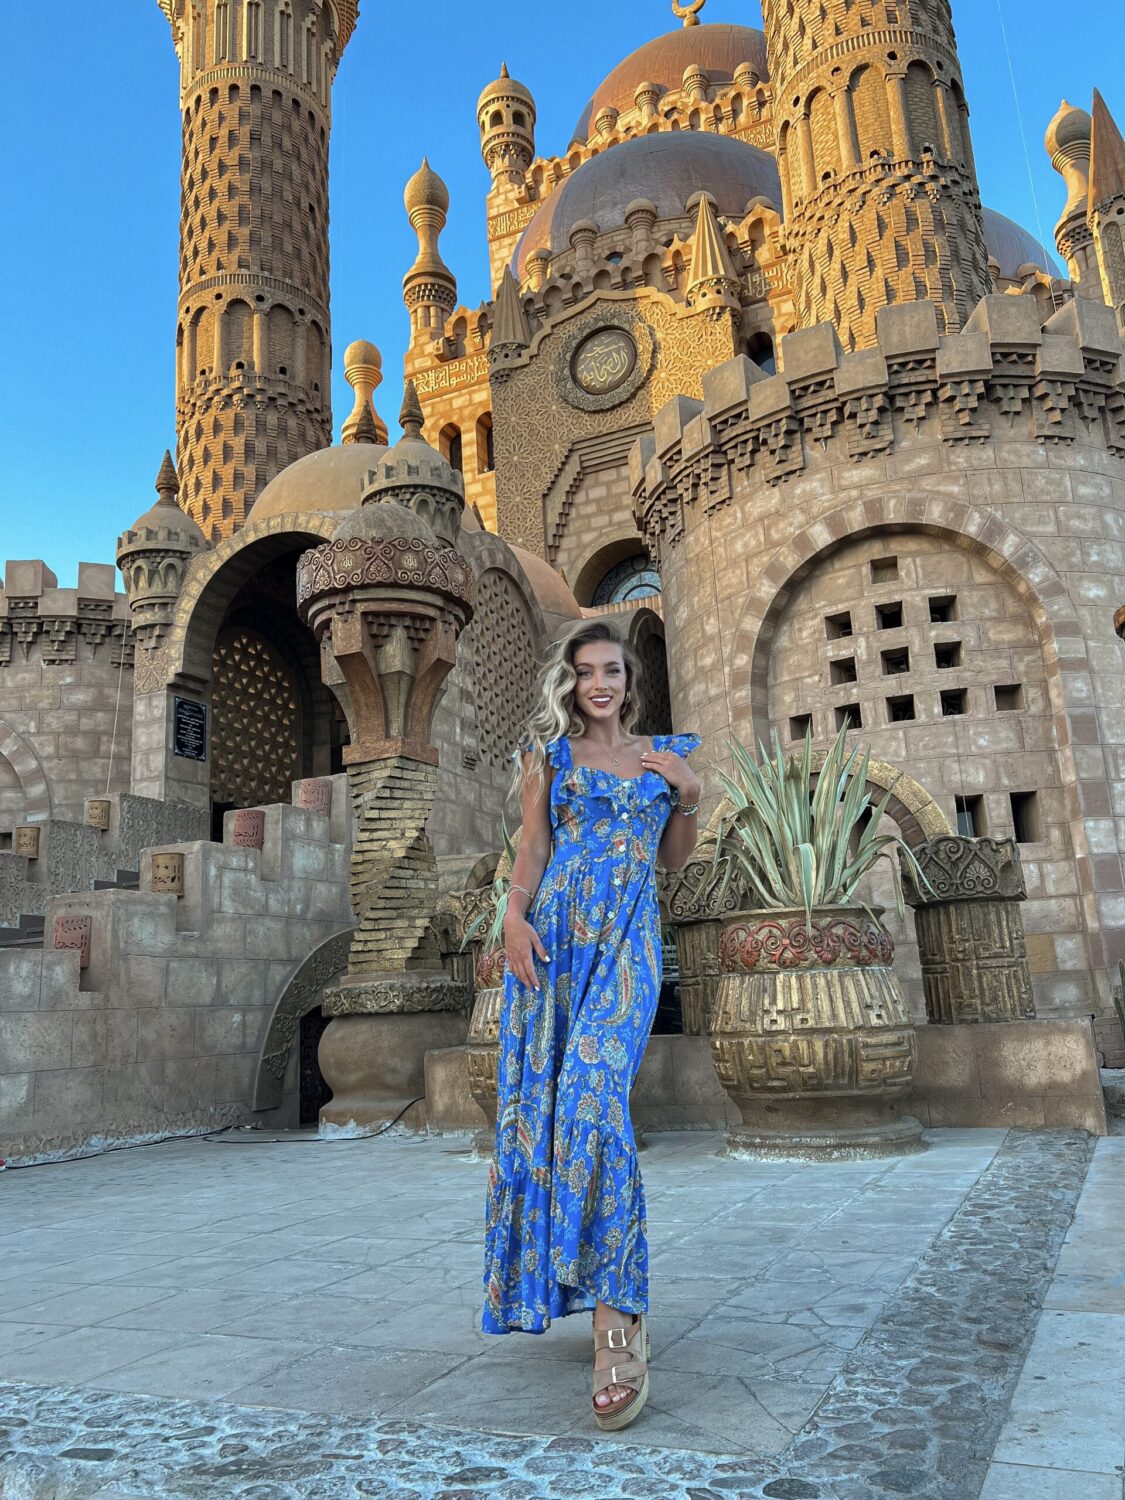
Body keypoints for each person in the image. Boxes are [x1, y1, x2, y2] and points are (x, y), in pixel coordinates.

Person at [480, 619, 702, 1431]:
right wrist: (513, 918)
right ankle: (607, 1295)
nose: (598, 683)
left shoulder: (660, 756)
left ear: (629, 681)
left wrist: (687, 795)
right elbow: (533, 846)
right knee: (551, 1117)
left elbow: (673, 860)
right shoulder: (550, 758)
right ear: (569, 683)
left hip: (627, 945)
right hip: (554, 944)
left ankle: (618, 1316)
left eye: (611, 670)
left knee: (590, 1100)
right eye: (584, 672)